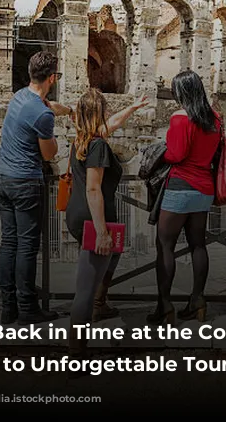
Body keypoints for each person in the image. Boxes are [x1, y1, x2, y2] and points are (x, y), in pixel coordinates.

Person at [66, 88, 149, 364]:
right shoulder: (99, 146)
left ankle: (98, 308)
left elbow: (110, 126)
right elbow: (93, 189)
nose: (110, 114)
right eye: (106, 109)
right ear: (99, 113)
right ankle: (76, 357)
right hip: (92, 218)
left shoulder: (83, 139)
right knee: (85, 291)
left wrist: (133, 108)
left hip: (79, 215)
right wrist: (101, 232)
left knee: (107, 262)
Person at [0, 50, 73, 325]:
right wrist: (55, 133)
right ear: (52, 77)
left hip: (1, 178)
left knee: (9, 242)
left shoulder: (19, 97)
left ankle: (8, 307)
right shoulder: (42, 115)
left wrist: (63, 110)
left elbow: (43, 108)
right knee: (27, 246)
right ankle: (28, 308)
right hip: (25, 182)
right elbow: (49, 154)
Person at [147, 70, 221, 326]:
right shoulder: (214, 119)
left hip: (180, 186)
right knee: (198, 245)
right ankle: (197, 300)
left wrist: (160, 152)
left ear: (182, 93)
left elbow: (176, 155)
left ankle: (164, 306)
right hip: (204, 188)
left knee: (165, 246)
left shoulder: (181, 118)